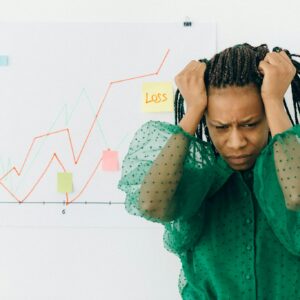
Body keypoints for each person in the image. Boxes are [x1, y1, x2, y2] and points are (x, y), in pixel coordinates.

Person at [117, 43, 300, 299]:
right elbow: (150, 203)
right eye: (221, 127)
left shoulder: (292, 167)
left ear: (267, 117)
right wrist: (193, 110)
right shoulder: (198, 181)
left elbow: (297, 194)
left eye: (249, 124)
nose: (236, 142)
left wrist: (273, 100)